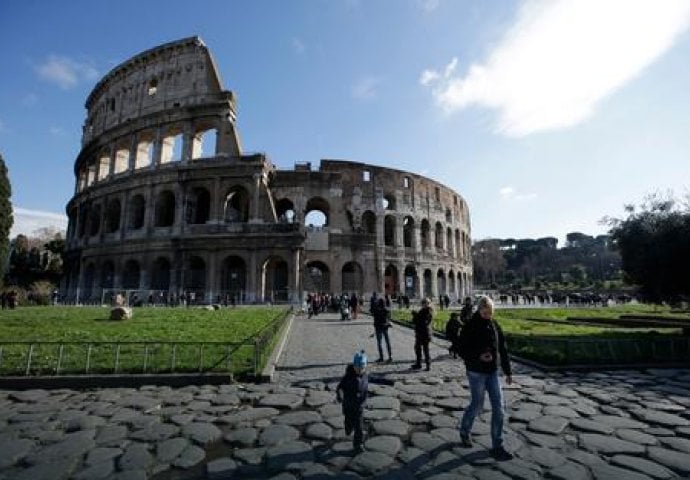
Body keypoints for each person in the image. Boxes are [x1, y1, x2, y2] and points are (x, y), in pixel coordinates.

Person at [457, 296, 514, 461]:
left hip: (492, 372)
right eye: (485, 312)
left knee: (499, 408)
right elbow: (462, 349)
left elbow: (502, 348)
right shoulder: (470, 325)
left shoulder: (495, 325)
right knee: (477, 405)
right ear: (479, 309)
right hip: (476, 372)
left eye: (491, 312)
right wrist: (479, 356)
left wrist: (508, 371)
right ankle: (464, 431)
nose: (488, 315)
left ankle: (497, 445)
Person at [336, 351, 369, 454]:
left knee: (359, 427)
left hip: (359, 407)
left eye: (362, 368)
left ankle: (358, 445)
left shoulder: (365, 375)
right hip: (349, 406)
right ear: (354, 366)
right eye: (358, 368)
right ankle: (348, 426)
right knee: (349, 422)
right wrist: (340, 395)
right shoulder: (348, 377)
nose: (360, 370)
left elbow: (374, 379)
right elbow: (340, 387)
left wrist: (390, 382)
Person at [411, 297, 433, 371]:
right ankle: (419, 363)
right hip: (420, 332)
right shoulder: (423, 310)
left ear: (428, 304)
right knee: (417, 348)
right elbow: (416, 321)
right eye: (423, 303)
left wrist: (416, 315)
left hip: (425, 333)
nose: (423, 304)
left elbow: (423, 322)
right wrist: (415, 316)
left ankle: (427, 365)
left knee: (425, 350)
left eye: (425, 303)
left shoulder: (428, 311)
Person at [372, 298, 392, 363]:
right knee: (387, 342)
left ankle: (381, 357)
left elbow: (374, 318)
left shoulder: (376, 310)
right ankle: (390, 356)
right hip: (385, 327)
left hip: (378, 328)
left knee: (379, 343)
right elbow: (389, 317)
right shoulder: (386, 310)